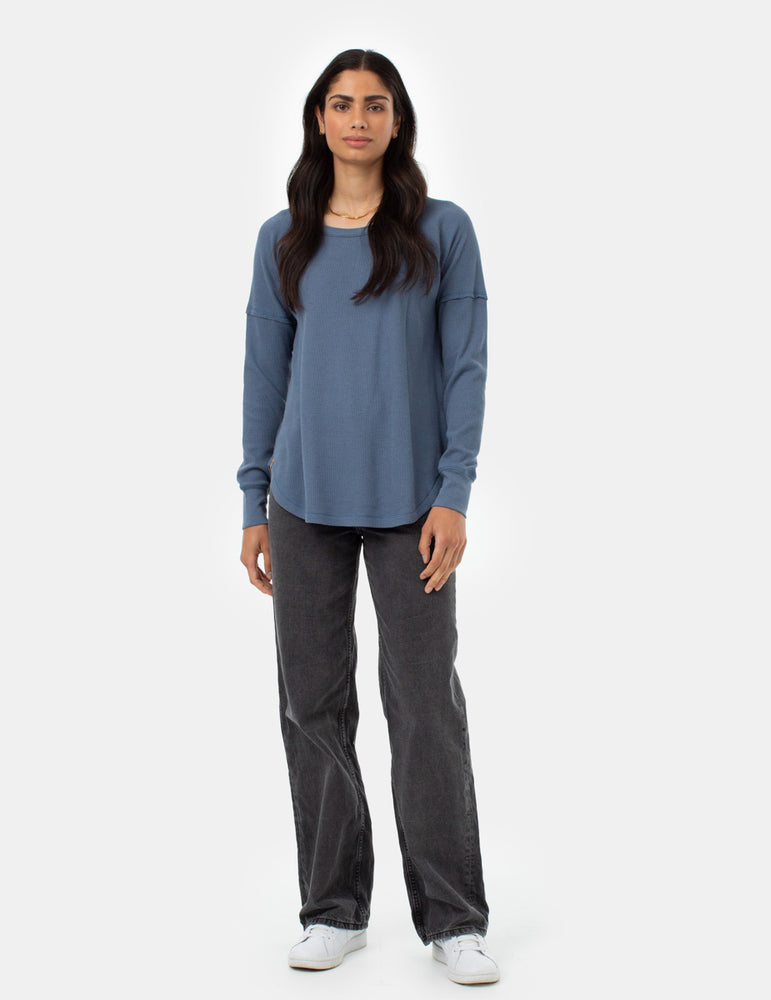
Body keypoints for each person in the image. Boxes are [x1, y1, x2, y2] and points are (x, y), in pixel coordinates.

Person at [237, 48, 499, 986]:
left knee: (425, 705)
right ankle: (333, 909)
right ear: (320, 117)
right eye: (343, 103)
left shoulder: (442, 230)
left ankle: (454, 920)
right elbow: (264, 372)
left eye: (376, 104)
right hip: (302, 501)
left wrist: (454, 493)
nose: (358, 118)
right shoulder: (283, 238)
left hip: (412, 507)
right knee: (312, 706)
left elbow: (466, 367)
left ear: (397, 120)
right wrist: (253, 499)